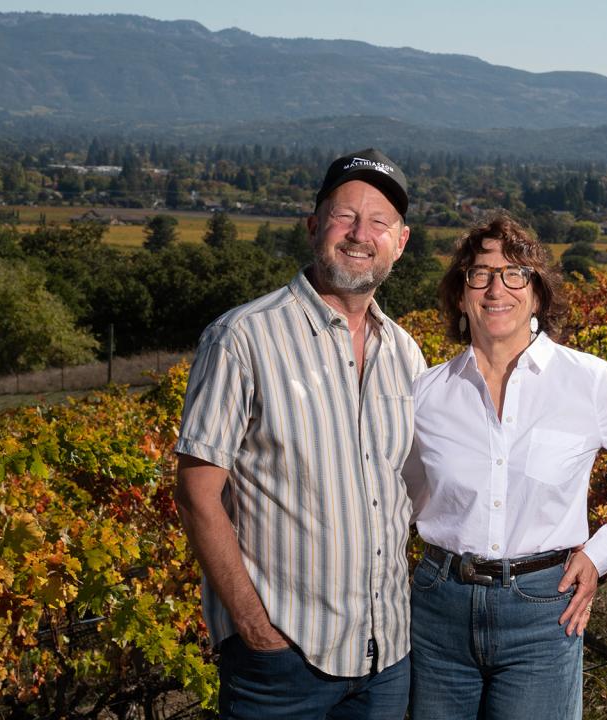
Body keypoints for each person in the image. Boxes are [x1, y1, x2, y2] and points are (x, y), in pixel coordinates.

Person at [402, 213, 607, 719]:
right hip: (437, 608)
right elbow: (398, 496)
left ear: (536, 294)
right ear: (461, 294)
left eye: (515, 273)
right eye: (481, 274)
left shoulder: (587, 382)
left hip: (542, 610)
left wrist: (600, 554)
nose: (497, 288)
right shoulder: (425, 395)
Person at [174, 148, 426, 720]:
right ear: (315, 226)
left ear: (401, 242)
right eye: (345, 217)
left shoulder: (406, 353)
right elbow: (195, 493)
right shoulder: (242, 339)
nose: (361, 234)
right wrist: (253, 628)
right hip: (282, 668)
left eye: (379, 223)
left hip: (386, 661)